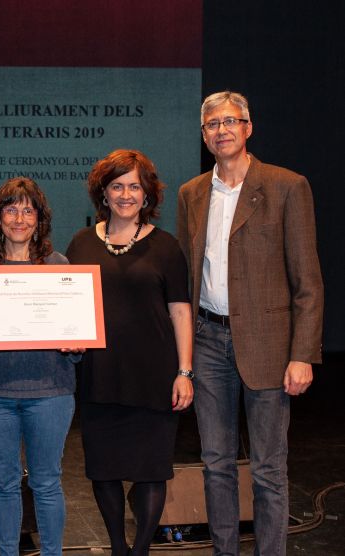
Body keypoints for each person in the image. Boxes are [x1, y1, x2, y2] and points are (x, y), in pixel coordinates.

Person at [177, 91, 323, 555]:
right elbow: (185, 274)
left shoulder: (286, 186)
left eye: (230, 121)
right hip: (207, 341)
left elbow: (308, 283)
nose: (221, 130)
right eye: (211, 125)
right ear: (204, 135)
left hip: (269, 346)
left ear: (248, 127)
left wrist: (303, 355)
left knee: (267, 469)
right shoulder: (191, 193)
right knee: (216, 464)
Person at [66, 149, 193, 556]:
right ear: (103, 193)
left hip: (154, 376)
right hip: (99, 374)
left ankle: (139, 550)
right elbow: (67, 304)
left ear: (147, 194)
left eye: (134, 186)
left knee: (151, 471)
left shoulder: (167, 246)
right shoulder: (82, 242)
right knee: (102, 469)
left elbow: (180, 311)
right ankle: (118, 547)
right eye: (116, 185)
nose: (125, 194)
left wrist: (185, 372)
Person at [0, 177, 80, 555]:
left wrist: (75, 340)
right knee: (5, 483)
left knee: (46, 482)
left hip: (50, 393)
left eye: (28, 210)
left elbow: (74, 337)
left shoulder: (58, 265)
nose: (19, 218)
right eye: (11, 209)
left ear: (39, 219)